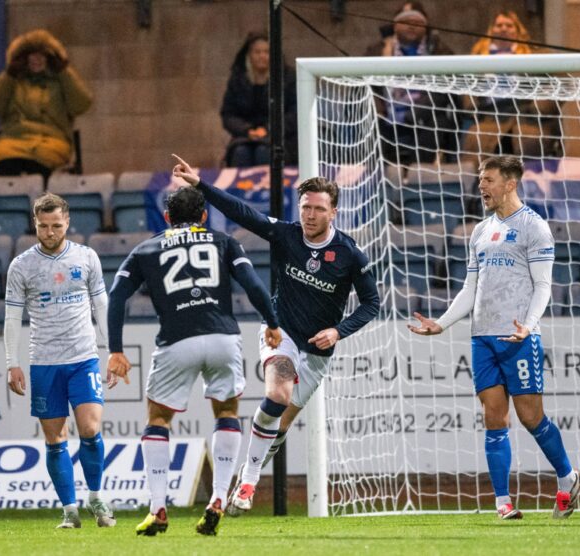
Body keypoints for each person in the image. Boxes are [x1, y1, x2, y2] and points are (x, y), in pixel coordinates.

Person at [169, 154, 380, 517]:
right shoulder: (286, 235)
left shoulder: (349, 254)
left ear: (333, 213)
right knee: (277, 394)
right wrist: (200, 184)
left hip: (317, 351)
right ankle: (248, 483)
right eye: (304, 207)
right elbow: (243, 213)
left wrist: (337, 331)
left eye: (317, 209)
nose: (309, 215)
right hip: (279, 333)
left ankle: (251, 471)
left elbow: (372, 303)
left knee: (278, 425)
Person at [409, 156, 580, 520]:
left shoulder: (535, 227)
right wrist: (442, 323)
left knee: (532, 418)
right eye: (480, 179)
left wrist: (529, 324)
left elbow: (544, 286)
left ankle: (567, 478)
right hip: (482, 337)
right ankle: (503, 502)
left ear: (510, 183)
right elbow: (470, 287)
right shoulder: (480, 230)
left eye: (488, 180)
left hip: (518, 337)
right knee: (494, 417)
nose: (481, 186)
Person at [106, 186, 281, 536]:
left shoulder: (145, 249)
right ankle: (218, 498)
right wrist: (273, 322)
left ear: (167, 217)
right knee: (227, 413)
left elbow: (117, 295)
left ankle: (158, 508)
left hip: (176, 341)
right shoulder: (222, 241)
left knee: (157, 419)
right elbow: (253, 284)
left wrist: (116, 349)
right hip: (222, 337)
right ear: (203, 216)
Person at [4, 193, 115, 529]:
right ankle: (69, 510)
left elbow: (101, 307)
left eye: (56, 225)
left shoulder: (86, 257)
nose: (50, 232)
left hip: (83, 358)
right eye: (43, 226)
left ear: (67, 222)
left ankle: (96, 498)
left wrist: (113, 350)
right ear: (34, 225)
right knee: (55, 440)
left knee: (91, 429)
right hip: (44, 363)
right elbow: (12, 318)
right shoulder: (21, 265)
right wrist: (12, 362)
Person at [0, 29, 92, 181]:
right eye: (31, 54)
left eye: (42, 54)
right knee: (5, 164)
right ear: (22, 58)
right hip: (12, 141)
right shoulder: (13, 81)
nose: (37, 58)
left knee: (41, 165)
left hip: (52, 142)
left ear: (50, 58)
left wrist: (64, 71)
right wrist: (9, 75)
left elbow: (82, 104)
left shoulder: (61, 82)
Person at [460, 11, 560, 170]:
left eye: (509, 25)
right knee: (476, 138)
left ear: (517, 31)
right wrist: (473, 107)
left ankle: (533, 188)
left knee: (530, 139)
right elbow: (466, 87)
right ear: (491, 30)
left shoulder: (536, 55)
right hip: (490, 115)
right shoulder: (477, 58)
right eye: (499, 25)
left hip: (526, 113)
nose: (503, 29)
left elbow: (557, 81)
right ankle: (478, 189)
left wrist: (539, 107)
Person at [364, 2, 458, 164]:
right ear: (395, 26)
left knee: (439, 123)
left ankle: (418, 177)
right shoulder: (376, 51)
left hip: (426, 116)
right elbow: (364, 84)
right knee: (370, 125)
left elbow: (447, 88)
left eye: (417, 23)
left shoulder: (439, 50)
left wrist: (418, 113)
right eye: (406, 22)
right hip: (387, 114)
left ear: (426, 27)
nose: (411, 26)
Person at [220, 31, 298, 168]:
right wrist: (247, 130)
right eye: (257, 52)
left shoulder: (288, 78)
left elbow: (295, 113)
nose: (262, 56)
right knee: (240, 153)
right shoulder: (237, 80)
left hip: (280, 139)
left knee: (264, 152)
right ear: (249, 54)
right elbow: (228, 114)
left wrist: (268, 130)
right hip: (244, 138)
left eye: (266, 52)